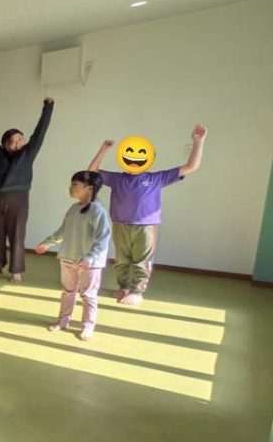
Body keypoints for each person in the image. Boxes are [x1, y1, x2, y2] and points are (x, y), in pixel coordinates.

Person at [87, 125, 207, 304]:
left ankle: (137, 291)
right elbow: (91, 173)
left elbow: (191, 166)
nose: (134, 159)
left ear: (149, 158)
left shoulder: (157, 178)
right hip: (120, 225)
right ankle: (124, 288)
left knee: (142, 260)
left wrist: (198, 142)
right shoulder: (117, 178)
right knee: (121, 260)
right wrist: (103, 150)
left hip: (145, 227)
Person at [0, 97, 54, 284]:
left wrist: (48, 107)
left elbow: (40, 131)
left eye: (21, 138)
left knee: (17, 234)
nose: (19, 142)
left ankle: (16, 271)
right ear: (5, 143)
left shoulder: (28, 153)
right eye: (15, 140)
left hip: (19, 199)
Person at [34, 171, 112, 341]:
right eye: (71, 184)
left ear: (89, 188)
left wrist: (90, 257)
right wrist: (47, 243)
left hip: (89, 264)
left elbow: (103, 238)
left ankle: (88, 326)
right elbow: (63, 231)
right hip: (68, 258)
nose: (71, 188)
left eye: (75, 185)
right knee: (68, 292)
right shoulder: (73, 209)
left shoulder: (98, 211)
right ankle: (63, 320)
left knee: (88, 295)